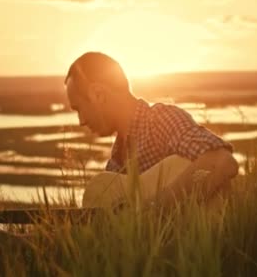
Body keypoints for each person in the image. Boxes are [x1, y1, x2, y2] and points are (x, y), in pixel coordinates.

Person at [64, 51, 238, 205]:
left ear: (98, 94)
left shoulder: (160, 120)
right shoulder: (115, 169)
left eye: (79, 108)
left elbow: (221, 161)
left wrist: (157, 209)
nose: (81, 121)